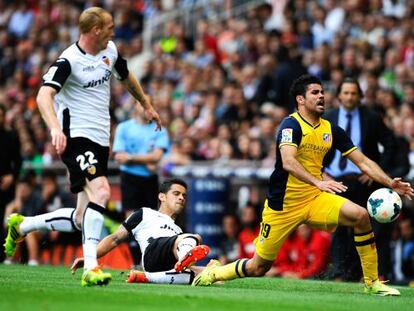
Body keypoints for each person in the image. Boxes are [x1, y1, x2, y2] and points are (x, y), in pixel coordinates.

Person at [192, 74, 414, 296]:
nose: (321, 96)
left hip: (315, 198)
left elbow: (363, 161)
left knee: (361, 216)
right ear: (301, 99)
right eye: (315, 93)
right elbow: (289, 162)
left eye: (322, 92)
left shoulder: (331, 129)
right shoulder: (291, 125)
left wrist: (389, 182)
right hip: (283, 205)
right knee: (258, 267)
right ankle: (214, 272)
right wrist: (319, 181)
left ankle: (372, 282)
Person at [3, 7, 162, 287]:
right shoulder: (69, 61)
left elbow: (125, 76)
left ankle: (22, 225)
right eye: (110, 27)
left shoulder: (109, 50)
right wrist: (54, 128)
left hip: (101, 141)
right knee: (101, 190)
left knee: (81, 217)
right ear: (95, 30)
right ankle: (91, 266)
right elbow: (43, 96)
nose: (114, 31)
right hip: (74, 138)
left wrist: (146, 104)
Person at [323, 77, 407, 281]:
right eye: (346, 92)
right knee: (340, 228)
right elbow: (316, 148)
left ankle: (372, 274)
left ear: (360, 96)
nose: (350, 96)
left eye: (354, 93)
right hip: (336, 181)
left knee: (370, 228)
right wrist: (321, 172)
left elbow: (391, 144)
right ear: (339, 96)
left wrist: (377, 172)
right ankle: (340, 273)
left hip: (363, 182)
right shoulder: (327, 118)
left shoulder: (371, 117)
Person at [70, 178, 210, 285]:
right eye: (176, 194)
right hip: (152, 252)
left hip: (166, 264)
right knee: (194, 237)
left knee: (207, 274)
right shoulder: (144, 213)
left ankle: (149, 276)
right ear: (162, 197)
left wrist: (206, 269)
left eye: (184, 196)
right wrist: (90, 258)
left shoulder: (178, 230)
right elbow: (115, 238)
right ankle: (185, 262)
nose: (181, 198)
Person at [113, 106, 170, 266]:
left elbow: (157, 157)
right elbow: (119, 156)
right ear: (135, 106)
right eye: (141, 104)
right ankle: (135, 261)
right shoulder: (124, 127)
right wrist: (147, 160)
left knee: (150, 220)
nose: (145, 108)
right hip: (129, 178)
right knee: (131, 220)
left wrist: (131, 158)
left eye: (148, 105)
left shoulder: (159, 129)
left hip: (149, 179)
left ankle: (146, 260)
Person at [0, 104, 22, 262]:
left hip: (5, 185)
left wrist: (12, 177)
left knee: (4, 220)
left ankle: (3, 257)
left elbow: (19, 162)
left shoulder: (12, 136)